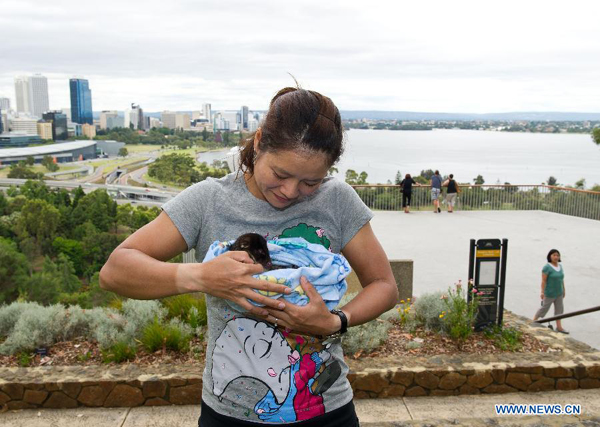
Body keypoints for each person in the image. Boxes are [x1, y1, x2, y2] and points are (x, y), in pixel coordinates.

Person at [99, 87, 398, 427]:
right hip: (230, 416)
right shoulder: (208, 200)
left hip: (326, 411)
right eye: (281, 174)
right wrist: (200, 277)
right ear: (258, 142)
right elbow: (114, 271)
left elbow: (384, 285)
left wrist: (334, 322)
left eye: (310, 182)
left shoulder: (338, 200)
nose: (289, 191)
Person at [533, 249, 568, 334]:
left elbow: (561, 279)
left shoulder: (560, 266)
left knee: (559, 310)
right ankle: (533, 322)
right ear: (550, 256)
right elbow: (543, 281)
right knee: (544, 308)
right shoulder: (547, 267)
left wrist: (563, 289)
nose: (556, 257)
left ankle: (559, 327)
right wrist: (542, 292)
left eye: (557, 255)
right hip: (549, 293)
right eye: (554, 255)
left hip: (559, 292)